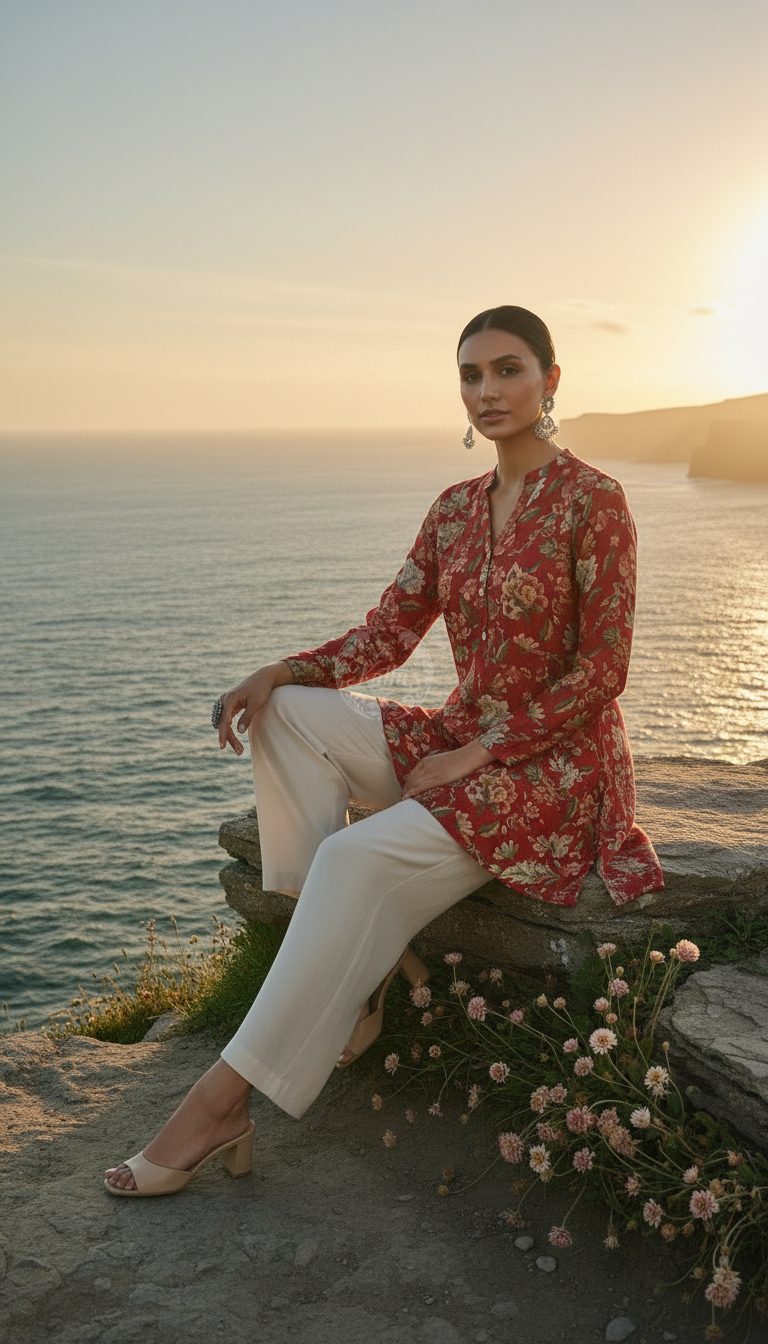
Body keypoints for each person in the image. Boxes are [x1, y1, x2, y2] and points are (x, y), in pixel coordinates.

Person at [105, 305, 663, 1196]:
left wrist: (477, 754)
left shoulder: (595, 502)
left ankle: (221, 1103)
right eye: (472, 376)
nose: (488, 392)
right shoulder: (453, 512)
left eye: (508, 370)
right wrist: (278, 669)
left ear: (551, 381)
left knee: (356, 855)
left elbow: (605, 672)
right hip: (462, 736)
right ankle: (355, 981)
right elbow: (388, 634)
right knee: (284, 713)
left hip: (555, 769)